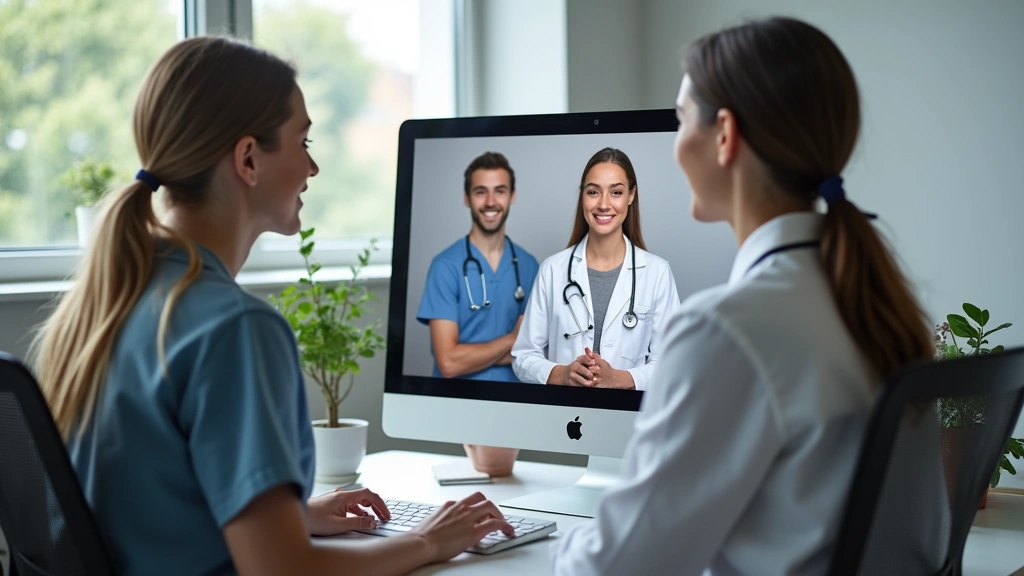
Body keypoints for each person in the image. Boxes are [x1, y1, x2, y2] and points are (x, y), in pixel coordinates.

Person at [32, 36, 512, 576]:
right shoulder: (235, 329)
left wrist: (292, 516)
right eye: (302, 141)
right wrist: (427, 541)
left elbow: (141, 505)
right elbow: (283, 573)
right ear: (248, 159)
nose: (313, 167)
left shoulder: (112, 301)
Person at [551, 17, 935, 575]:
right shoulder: (867, 298)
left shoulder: (727, 329)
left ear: (725, 135)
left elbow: (615, 569)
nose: (675, 142)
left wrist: (540, 545)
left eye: (681, 119)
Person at [511, 147, 679, 390]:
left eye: (616, 192)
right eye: (593, 192)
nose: (603, 204)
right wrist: (562, 374)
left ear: (631, 195)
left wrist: (620, 379)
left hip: (627, 419)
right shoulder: (552, 271)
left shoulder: (657, 273)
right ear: (582, 196)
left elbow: (673, 362)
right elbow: (522, 356)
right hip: (564, 417)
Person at [417, 151, 539, 383]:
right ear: (466, 198)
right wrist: (512, 339)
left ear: (512, 196)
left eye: (500, 191)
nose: (491, 202)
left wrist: (472, 356)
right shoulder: (445, 267)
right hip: (456, 405)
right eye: (480, 192)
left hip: (515, 403)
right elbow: (449, 363)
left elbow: (535, 354)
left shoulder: (529, 266)